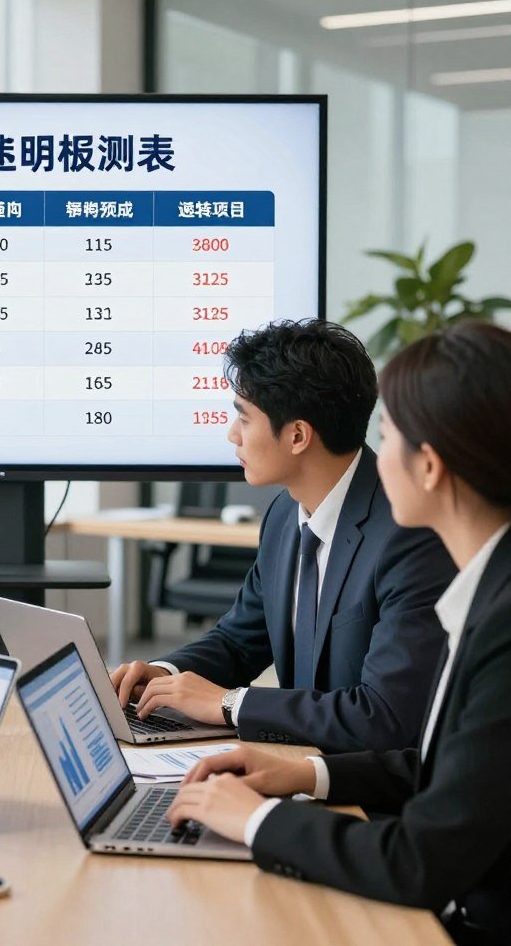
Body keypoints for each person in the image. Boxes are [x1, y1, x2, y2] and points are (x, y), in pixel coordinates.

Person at [166, 321, 511, 946]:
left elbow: (420, 859)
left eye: (388, 434)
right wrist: (301, 776)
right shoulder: (487, 591)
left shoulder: (495, 618)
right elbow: (444, 767)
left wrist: (259, 820)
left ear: (429, 466)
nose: (377, 458)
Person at [112, 319, 456, 753]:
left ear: (297, 435)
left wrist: (229, 703)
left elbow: (382, 715)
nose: (231, 435)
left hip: (365, 789)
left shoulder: (408, 534)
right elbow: (239, 642)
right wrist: (162, 675)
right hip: (293, 761)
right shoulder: (284, 515)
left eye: (242, 417)